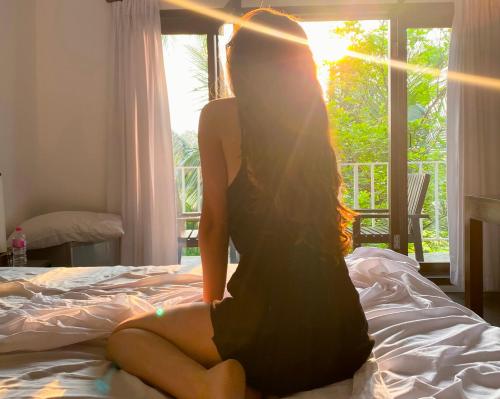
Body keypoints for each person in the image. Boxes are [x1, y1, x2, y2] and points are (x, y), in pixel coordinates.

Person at [106, 8, 373, 399]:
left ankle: (207, 385)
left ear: (241, 62)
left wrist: (215, 310)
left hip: (269, 331)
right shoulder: (311, 120)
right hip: (343, 337)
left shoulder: (219, 116)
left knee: (124, 337)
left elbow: (214, 225)